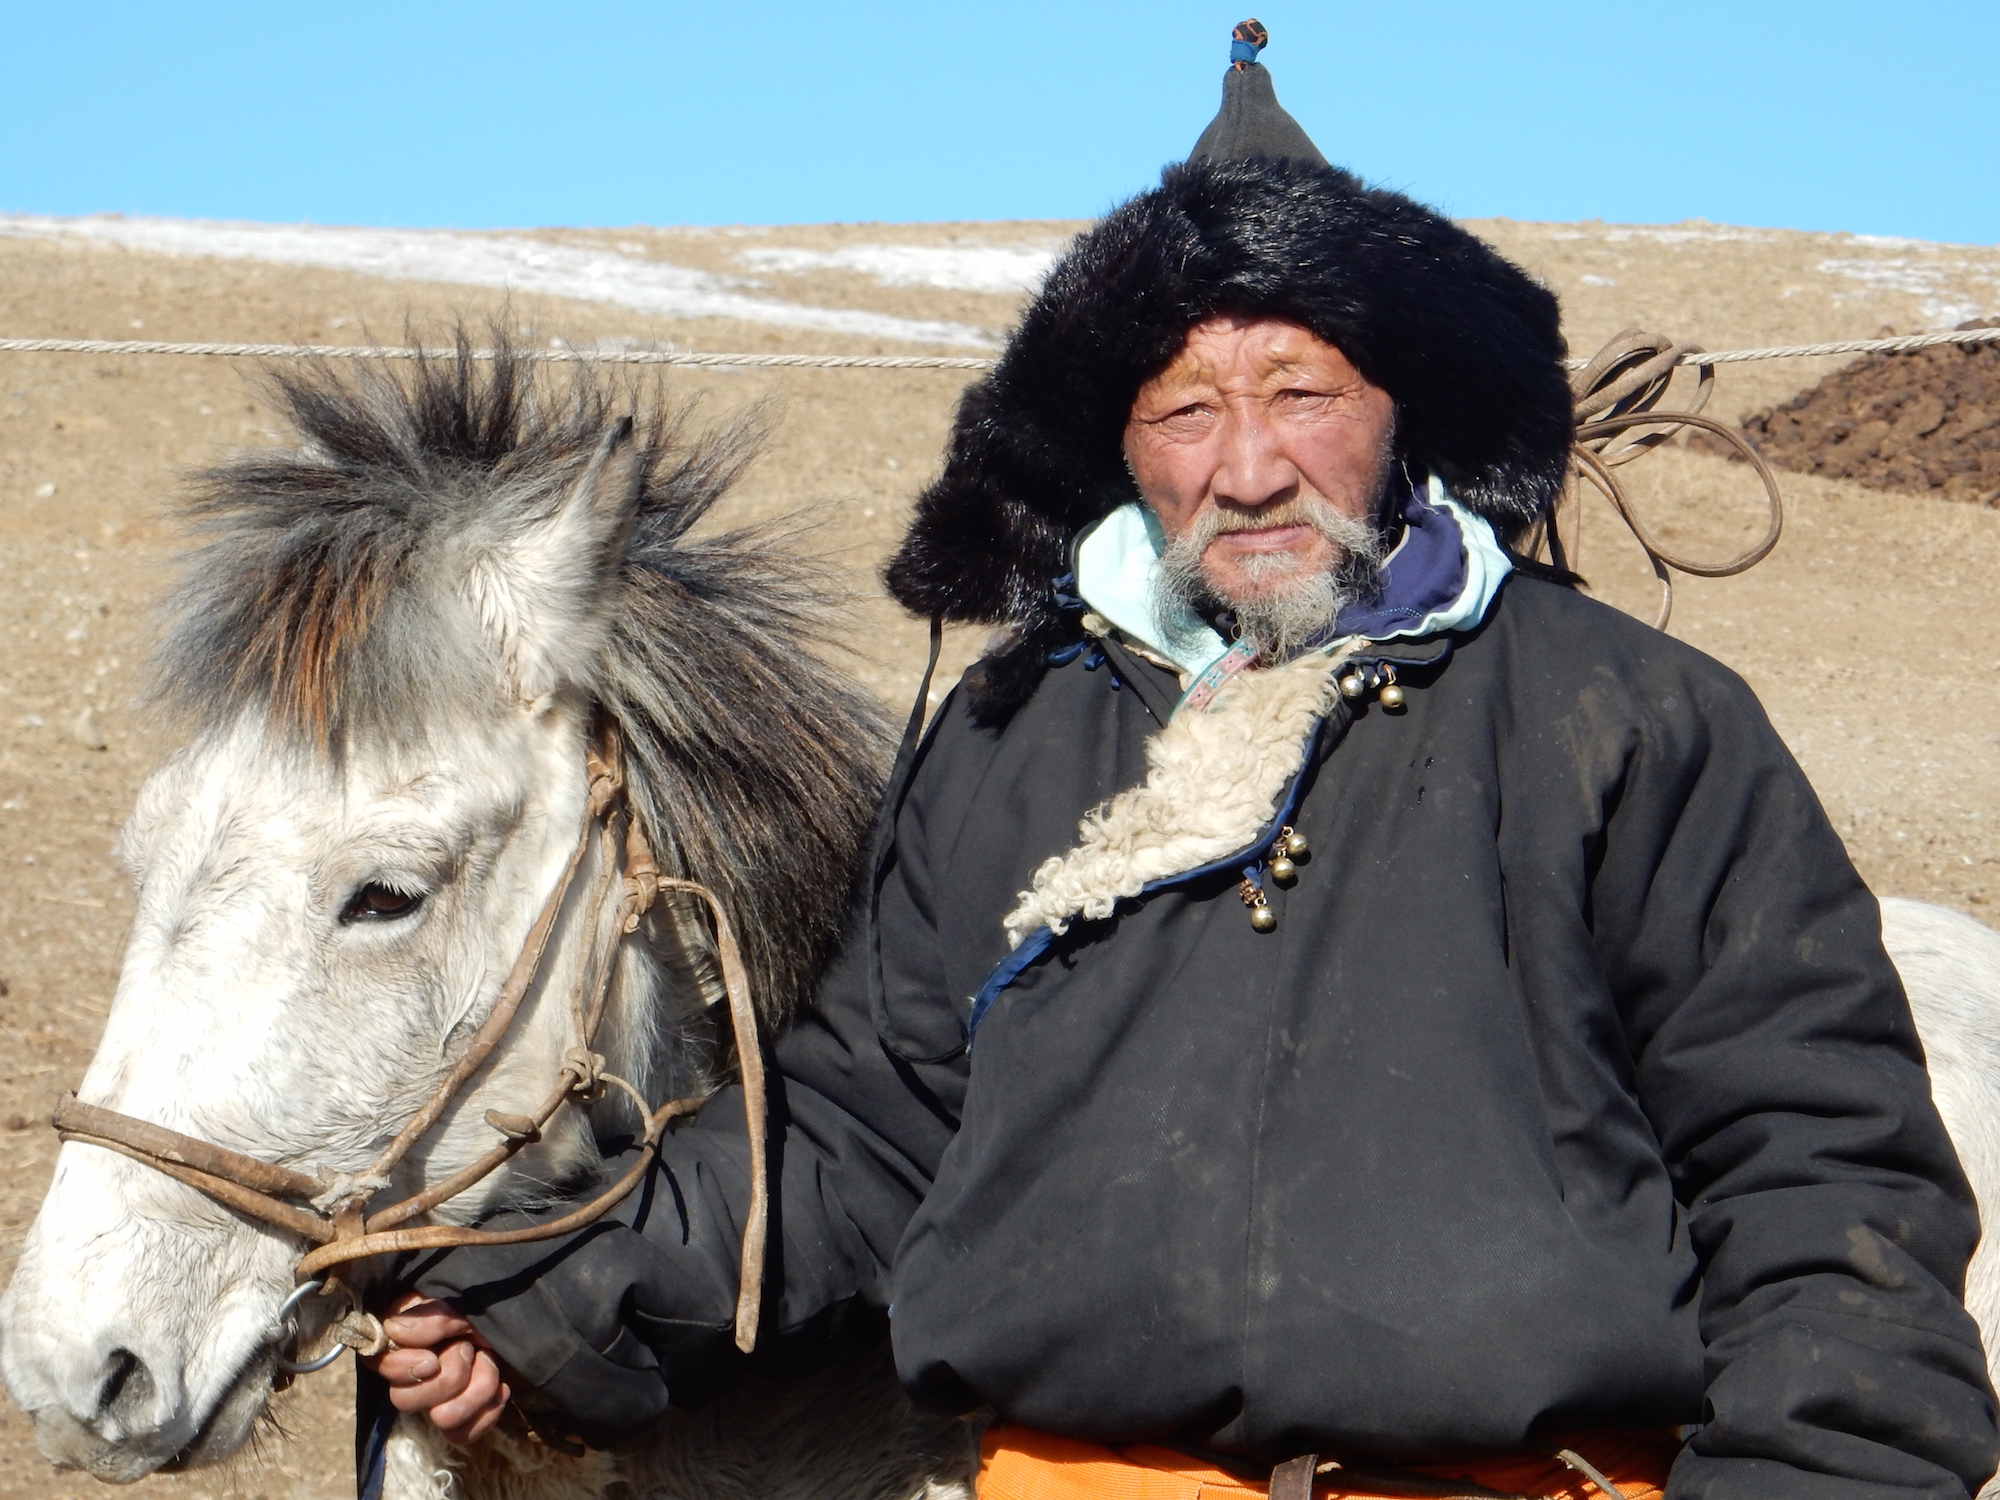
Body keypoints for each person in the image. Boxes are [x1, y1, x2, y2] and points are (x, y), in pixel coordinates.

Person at [373, 24, 2000, 1500]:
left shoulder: (1624, 716)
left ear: (1399, 407)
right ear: (1119, 453)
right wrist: (544, 1299)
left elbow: (1813, 1170)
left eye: (1300, 390)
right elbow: (866, 1133)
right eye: (1182, 411)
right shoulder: (1016, 733)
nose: (1246, 466)